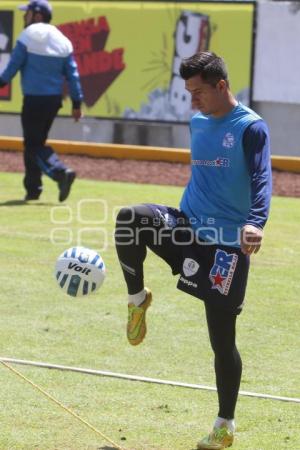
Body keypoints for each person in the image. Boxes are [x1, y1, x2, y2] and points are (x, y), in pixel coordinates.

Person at [115, 52, 272, 449]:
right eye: (188, 92)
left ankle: (225, 424)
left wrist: (256, 221)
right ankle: (138, 301)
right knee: (130, 218)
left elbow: (260, 177)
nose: (192, 101)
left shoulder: (251, 127)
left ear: (222, 86)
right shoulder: (198, 120)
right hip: (186, 227)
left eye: (198, 92)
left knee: (222, 340)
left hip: (226, 247)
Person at [0, 0, 83, 202]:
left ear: (37, 16)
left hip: (33, 101)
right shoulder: (62, 40)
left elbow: (13, 66)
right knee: (35, 142)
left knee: (33, 145)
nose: (24, 17)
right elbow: (73, 75)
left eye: (27, 13)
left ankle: (60, 172)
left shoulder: (28, 36)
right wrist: (76, 103)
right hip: (53, 102)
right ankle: (33, 189)